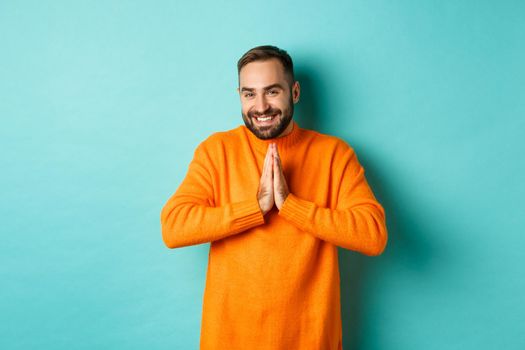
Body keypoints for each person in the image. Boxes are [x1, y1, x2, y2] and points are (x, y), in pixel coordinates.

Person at [160, 45, 388, 350]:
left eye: (272, 91)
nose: (261, 106)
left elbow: (373, 235)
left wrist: (291, 205)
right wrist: (255, 207)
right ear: (239, 95)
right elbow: (173, 228)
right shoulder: (216, 152)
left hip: (311, 340)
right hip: (230, 341)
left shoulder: (334, 155)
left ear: (294, 92)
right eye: (249, 94)